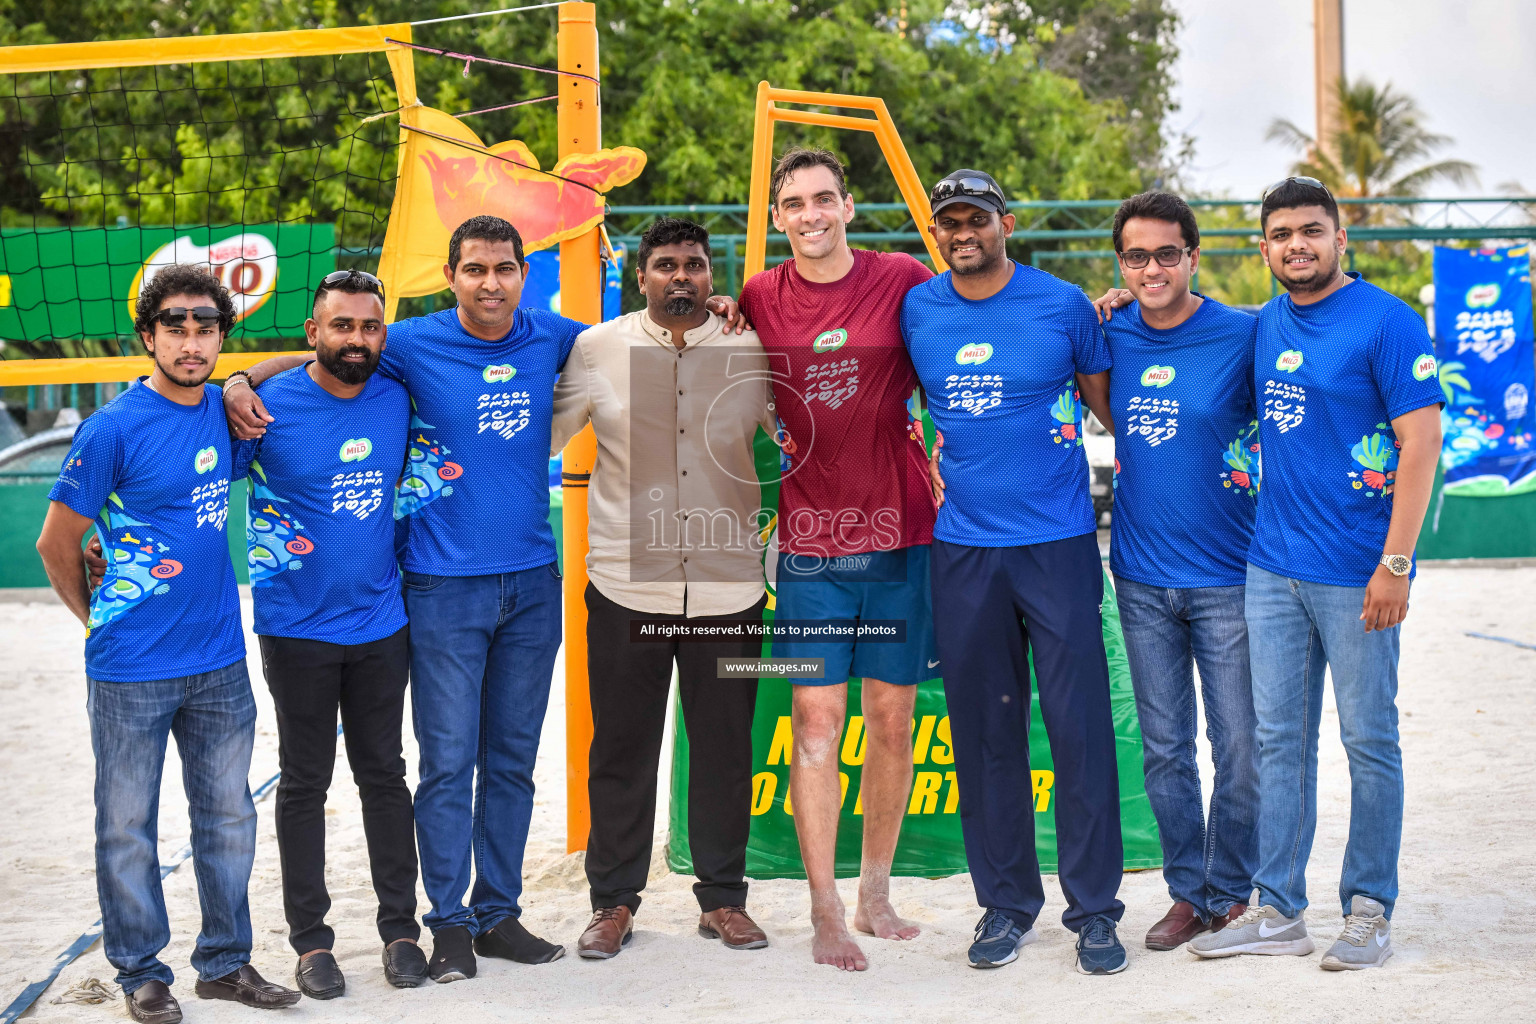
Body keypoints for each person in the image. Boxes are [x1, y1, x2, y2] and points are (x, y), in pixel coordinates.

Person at [223, 216, 746, 984]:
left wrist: (721, 306)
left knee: (511, 761)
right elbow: (327, 355)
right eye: (475, 270)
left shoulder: (558, 338)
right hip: (440, 585)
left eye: (504, 269)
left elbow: (655, 325)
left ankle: (498, 911)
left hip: (533, 582)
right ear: (451, 276)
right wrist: (241, 377)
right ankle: (450, 922)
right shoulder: (406, 342)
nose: (491, 283)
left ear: (522, 275)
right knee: (445, 764)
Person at [1189, 177, 1442, 970]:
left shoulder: (1388, 321)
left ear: (1340, 236)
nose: (1296, 245)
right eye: (1281, 234)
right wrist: (1122, 306)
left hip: (1359, 573)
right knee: (1279, 743)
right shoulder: (1264, 323)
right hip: (1271, 571)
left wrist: (1396, 564)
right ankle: (1278, 909)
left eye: (1311, 230)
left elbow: (1422, 442)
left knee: (1370, 740)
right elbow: (1190, 327)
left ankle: (1369, 908)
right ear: (1263, 248)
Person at [36, 264, 299, 1023]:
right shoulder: (112, 427)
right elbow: (59, 543)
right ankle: (141, 974)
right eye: (175, 326)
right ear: (148, 336)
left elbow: (301, 362)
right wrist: (97, 618)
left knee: (227, 819)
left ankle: (224, 964)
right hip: (131, 669)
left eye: (206, 327)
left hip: (218, 661)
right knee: (126, 825)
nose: (191, 341)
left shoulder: (225, 409)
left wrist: (246, 376)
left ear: (222, 335)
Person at [904, 170, 1128, 976]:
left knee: (1079, 731)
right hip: (963, 550)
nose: (962, 232)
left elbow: (1114, 411)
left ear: (1006, 221)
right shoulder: (919, 307)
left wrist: (1134, 312)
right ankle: (1004, 906)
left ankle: (1096, 913)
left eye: (975, 218)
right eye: (947, 222)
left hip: (1058, 544)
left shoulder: (1063, 304)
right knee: (986, 734)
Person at [737, 147, 938, 973]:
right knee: (816, 725)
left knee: (892, 721)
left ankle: (875, 892)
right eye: (795, 203)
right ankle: (825, 909)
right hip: (813, 548)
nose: (811, 214)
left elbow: (981, 322)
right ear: (779, 218)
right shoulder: (755, 297)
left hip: (904, 535)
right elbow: (708, 356)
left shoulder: (904, 278)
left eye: (824, 199)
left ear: (848, 207)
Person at [550, 218, 773, 959]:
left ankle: (723, 901)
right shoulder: (597, 349)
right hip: (624, 585)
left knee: (722, 749)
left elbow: (801, 430)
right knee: (620, 749)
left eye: (696, 266)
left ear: (714, 278)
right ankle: (613, 903)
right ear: (639, 276)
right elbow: (538, 438)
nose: (682, 277)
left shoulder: (751, 345)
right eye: (666, 266)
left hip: (728, 587)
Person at [231, 270, 427, 996]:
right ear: (311, 332)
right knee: (305, 782)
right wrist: (239, 378)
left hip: (382, 622)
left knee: (385, 775)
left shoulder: (395, 397)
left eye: (369, 327)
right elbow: (199, 480)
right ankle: (312, 945)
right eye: (341, 326)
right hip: (296, 626)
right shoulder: (266, 407)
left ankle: (401, 930)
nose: (356, 339)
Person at [1092, 192, 1260, 951]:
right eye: (1136, 255)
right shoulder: (1111, 331)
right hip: (1141, 578)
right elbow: (1100, 413)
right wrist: (1103, 311)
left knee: (1241, 748)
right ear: (1120, 263)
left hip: (1230, 577)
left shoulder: (1243, 333)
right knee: (1165, 749)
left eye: (1167, 253)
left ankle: (1233, 890)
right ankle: (1188, 893)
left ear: (1195, 256)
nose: (1152, 267)